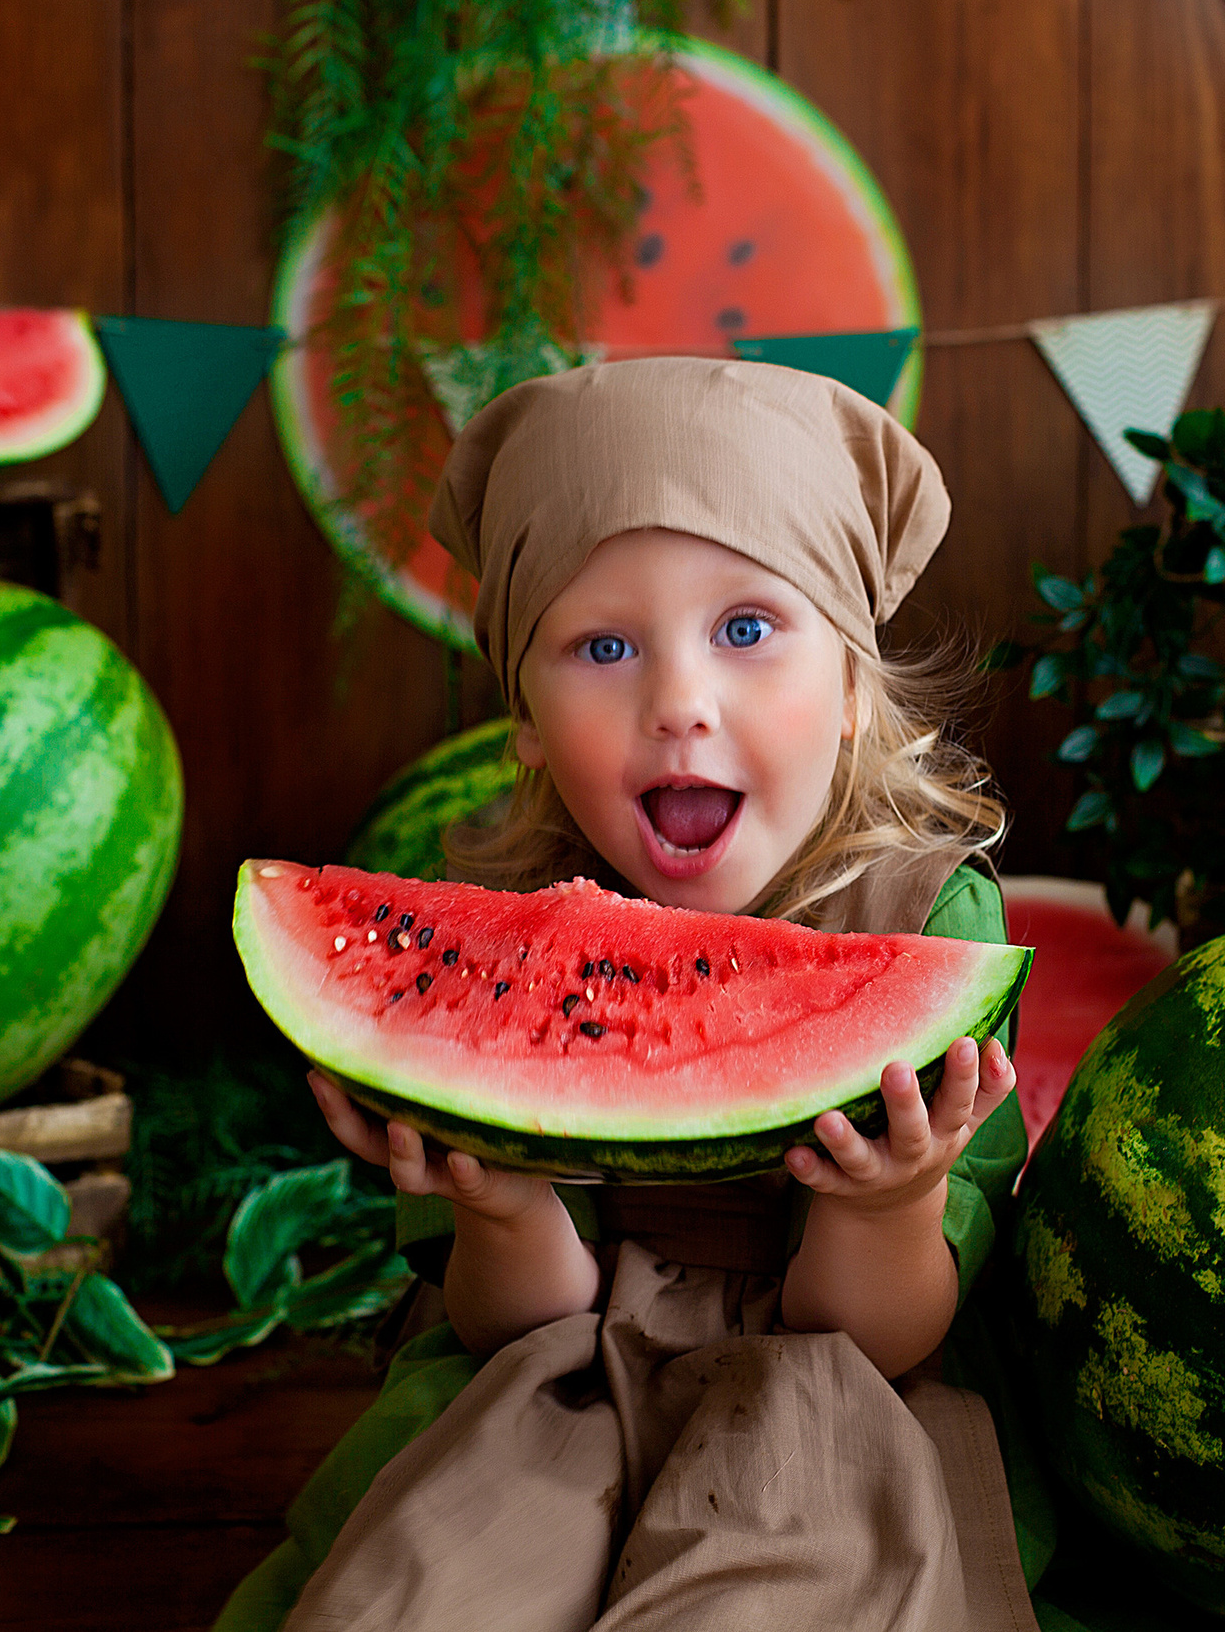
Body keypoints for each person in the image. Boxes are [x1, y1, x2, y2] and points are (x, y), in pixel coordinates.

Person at [214, 357, 1038, 1632]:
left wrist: (889, 1201)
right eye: (602, 645)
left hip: (833, 1387)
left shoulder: (928, 920)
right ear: (526, 718)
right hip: (551, 1382)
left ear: (850, 688)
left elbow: (883, 1339)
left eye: (746, 630)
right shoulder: (495, 939)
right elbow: (508, 1325)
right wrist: (498, 1208)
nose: (678, 705)